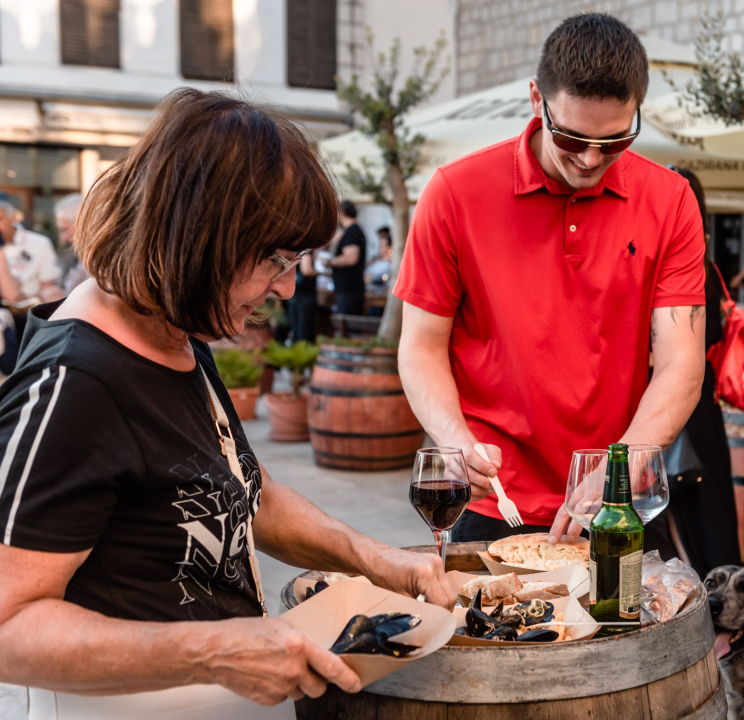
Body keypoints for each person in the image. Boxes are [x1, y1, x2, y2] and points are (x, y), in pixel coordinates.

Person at [0, 89, 457, 716]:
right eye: (275, 259)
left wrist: (374, 558)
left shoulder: (179, 330)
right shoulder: (74, 382)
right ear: (201, 239)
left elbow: (245, 489)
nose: (288, 286)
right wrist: (214, 651)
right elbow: (8, 625)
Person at [395, 13, 706, 552]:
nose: (590, 159)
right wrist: (455, 441)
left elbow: (681, 363)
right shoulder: (453, 193)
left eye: (614, 141)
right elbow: (421, 345)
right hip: (495, 498)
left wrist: (619, 469)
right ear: (536, 98)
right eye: (571, 137)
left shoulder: (671, 199)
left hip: (618, 494)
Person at [663, 166, 741, 574]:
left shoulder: (686, 264)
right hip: (699, 399)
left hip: (685, 399)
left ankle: (707, 587)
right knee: (700, 504)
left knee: (690, 502)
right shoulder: (703, 262)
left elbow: (707, 331)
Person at [0, 193, 64, 305]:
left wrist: (32, 299)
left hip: (31, 308)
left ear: (13, 218)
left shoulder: (40, 243)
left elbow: (50, 286)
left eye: (0, 218)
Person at [328, 201, 366, 316]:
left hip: (349, 290)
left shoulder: (352, 231)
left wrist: (329, 262)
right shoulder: (350, 231)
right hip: (348, 289)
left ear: (342, 213)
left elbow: (351, 258)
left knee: (348, 322)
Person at [54, 193, 91, 296]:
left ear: (83, 224)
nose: (62, 238)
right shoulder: (71, 255)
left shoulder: (103, 260)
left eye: (65, 229)